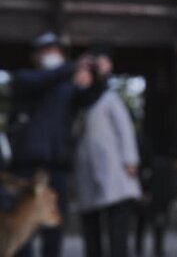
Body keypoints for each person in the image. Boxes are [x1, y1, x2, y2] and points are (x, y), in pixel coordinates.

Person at [8, 32, 99, 257]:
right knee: (23, 226)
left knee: (54, 226)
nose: (52, 55)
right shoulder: (26, 79)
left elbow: (88, 97)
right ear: (35, 56)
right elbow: (43, 79)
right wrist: (71, 68)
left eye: (55, 51)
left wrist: (96, 74)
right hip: (27, 166)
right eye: (47, 50)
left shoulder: (67, 90)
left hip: (56, 166)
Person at [73, 47, 142, 257]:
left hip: (115, 171)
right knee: (91, 229)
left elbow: (125, 131)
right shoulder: (76, 103)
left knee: (117, 231)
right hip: (87, 171)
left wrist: (130, 160)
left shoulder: (109, 99)